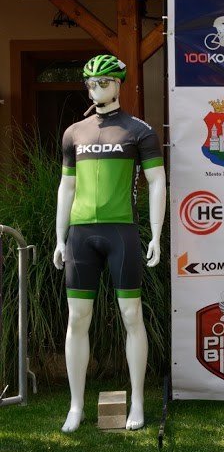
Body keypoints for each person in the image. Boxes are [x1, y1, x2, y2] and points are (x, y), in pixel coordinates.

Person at [53, 54, 166, 432]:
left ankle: (138, 402)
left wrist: (156, 234)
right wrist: (60, 237)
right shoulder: (74, 133)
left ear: (119, 84)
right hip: (80, 235)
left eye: (104, 82)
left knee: (131, 315)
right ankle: (76, 406)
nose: (97, 89)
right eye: (91, 83)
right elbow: (67, 185)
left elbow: (157, 181)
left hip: (121, 232)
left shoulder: (139, 131)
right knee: (77, 319)